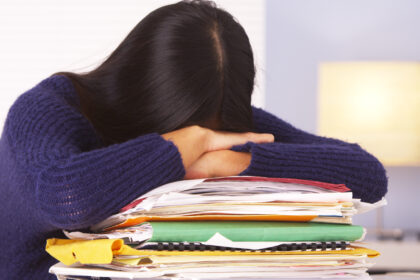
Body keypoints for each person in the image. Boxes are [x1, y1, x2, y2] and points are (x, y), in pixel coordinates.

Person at [0, 0, 388, 278]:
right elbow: (64, 195)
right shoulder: (47, 110)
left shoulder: (219, 124)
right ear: (137, 90)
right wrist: (176, 150)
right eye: (191, 131)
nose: (205, 139)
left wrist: (237, 162)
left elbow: (369, 177)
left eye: (209, 132)